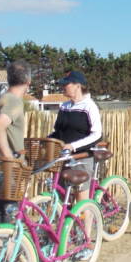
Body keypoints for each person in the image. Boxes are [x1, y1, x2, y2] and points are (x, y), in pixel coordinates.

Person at [0, 61, 31, 229]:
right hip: (6, 170)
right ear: (28, 82)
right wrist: (9, 156)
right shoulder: (14, 101)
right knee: (9, 226)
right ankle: (9, 255)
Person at [48, 70, 102, 198]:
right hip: (64, 156)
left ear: (78, 86)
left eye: (66, 84)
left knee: (81, 199)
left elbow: (97, 134)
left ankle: (88, 218)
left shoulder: (89, 106)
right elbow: (58, 132)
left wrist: (73, 146)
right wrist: (47, 140)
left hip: (81, 157)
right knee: (60, 196)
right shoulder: (64, 106)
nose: (62, 87)